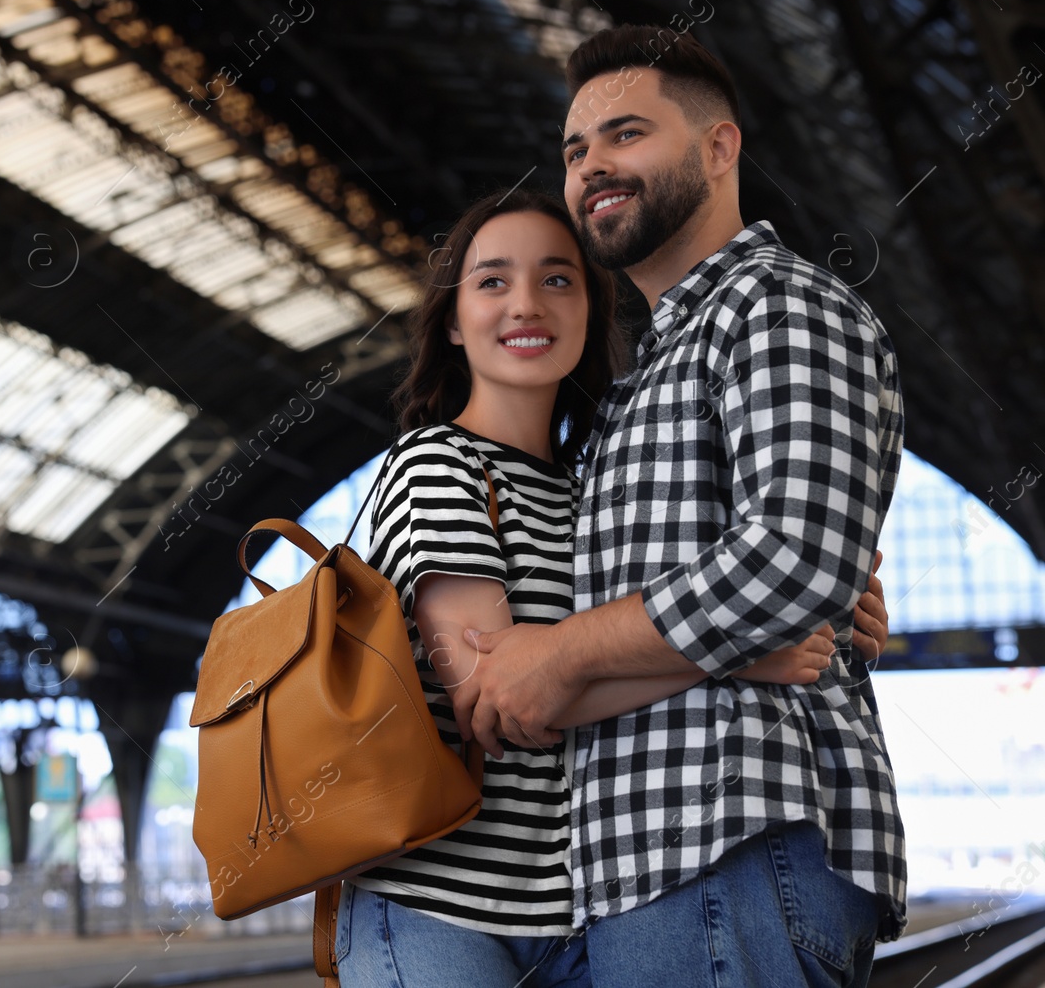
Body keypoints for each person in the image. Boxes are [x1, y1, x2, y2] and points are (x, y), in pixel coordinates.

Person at [331, 188, 889, 988]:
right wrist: (733, 654)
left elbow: (701, 598)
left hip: (579, 911)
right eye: (492, 281)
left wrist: (831, 603)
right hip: (437, 904)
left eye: (559, 279)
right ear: (453, 320)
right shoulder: (439, 463)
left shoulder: (597, 489)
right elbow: (497, 699)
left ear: (592, 309)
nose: (527, 302)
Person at [457, 25, 905, 988]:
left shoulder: (777, 307)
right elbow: (796, 568)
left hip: (727, 843)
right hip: (653, 867)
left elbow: (791, 556)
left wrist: (565, 652)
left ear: (718, 147)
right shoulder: (647, 370)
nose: (591, 168)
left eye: (625, 135)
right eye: (575, 151)